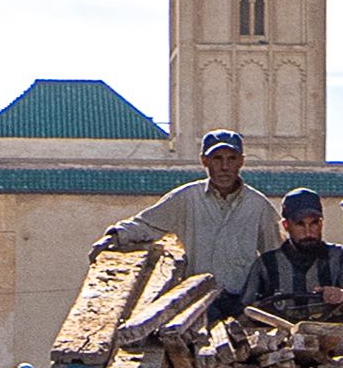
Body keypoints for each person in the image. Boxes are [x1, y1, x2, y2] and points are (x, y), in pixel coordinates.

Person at [102, 125, 288, 305]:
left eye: (231, 159)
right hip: (194, 303)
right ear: (204, 161)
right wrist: (117, 235)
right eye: (217, 158)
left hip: (240, 305)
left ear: (241, 161)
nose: (225, 166)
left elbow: (276, 257)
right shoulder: (186, 198)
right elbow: (147, 224)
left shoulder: (258, 206)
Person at [252, 187, 343, 329]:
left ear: (321, 223)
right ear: (286, 225)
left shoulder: (341, 257)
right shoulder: (266, 264)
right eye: (300, 224)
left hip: (331, 337)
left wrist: (342, 296)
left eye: (314, 223)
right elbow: (248, 306)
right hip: (280, 341)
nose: (308, 232)